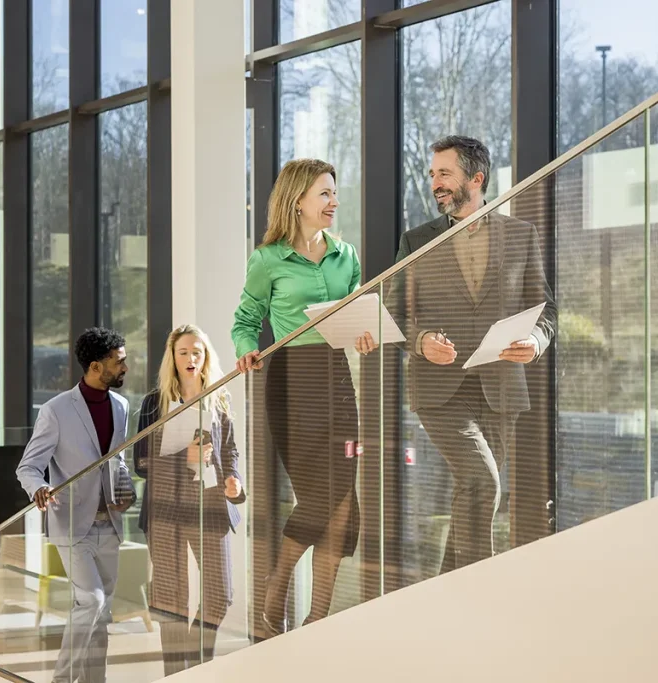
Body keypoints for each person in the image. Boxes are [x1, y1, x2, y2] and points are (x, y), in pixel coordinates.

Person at [357, 135, 557, 574]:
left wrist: (536, 341)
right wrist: (421, 340)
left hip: (501, 387)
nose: (435, 183)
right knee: (483, 482)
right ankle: (482, 589)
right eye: (433, 174)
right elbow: (393, 313)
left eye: (444, 173)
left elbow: (545, 308)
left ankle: (445, 592)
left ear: (476, 178)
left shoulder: (520, 235)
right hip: (438, 389)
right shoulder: (417, 241)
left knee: (473, 494)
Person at [232, 158, 362, 635]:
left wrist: (365, 332)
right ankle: (280, 576)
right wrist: (247, 350)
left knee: (343, 500)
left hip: (338, 379)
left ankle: (317, 617)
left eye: (334, 192)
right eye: (325, 193)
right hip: (291, 380)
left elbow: (357, 314)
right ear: (297, 201)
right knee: (320, 495)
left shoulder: (346, 255)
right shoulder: (268, 259)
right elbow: (245, 321)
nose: (334, 201)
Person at [16, 327, 136, 683]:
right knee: (91, 601)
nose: (125, 367)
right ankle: (62, 679)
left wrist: (125, 487)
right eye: (119, 361)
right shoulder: (55, 411)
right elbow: (28, 467)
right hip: (72, 524)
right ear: (96, 367)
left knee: (102, 612)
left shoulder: (121, 406)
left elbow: (118, 459)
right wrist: (39, 488)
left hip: (110, 523)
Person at [133, 325, 246, 674]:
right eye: (183, 352)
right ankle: (175, 674)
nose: (191, 358)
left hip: (210, 503)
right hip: (166, 507)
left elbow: (230, 449)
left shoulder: (219, 397)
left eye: (197, 351)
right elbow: (140, 462)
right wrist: (184, 458)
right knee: (172, 601)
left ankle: (198, 667)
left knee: (220, 594)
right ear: (173, 358)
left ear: (205, 356)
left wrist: (234, 480)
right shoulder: (154, 403)